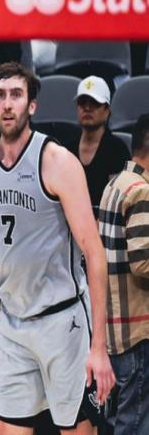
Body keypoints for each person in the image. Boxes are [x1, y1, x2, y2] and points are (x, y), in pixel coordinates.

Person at [0, 62, 115, 434]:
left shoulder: (57, 161)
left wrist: (99, 347)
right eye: (1, 95)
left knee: (75, 428)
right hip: (13, 322)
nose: (7, 104)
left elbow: (94, 252)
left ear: (32, 105)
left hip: (62, 321)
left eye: (16, 95)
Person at [98, 113, 149, 435]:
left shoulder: (115, 183)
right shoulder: (141, 190)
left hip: (116, 328)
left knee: (121, 421)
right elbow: (143, 263)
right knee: (136, 424)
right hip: (138, 332)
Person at [64, 75, 130, 213]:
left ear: (107, 111)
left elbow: (118, 202)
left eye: (94, 103)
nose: (87, 108)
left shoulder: (118, 150)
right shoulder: (67, 150)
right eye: (82, 102)